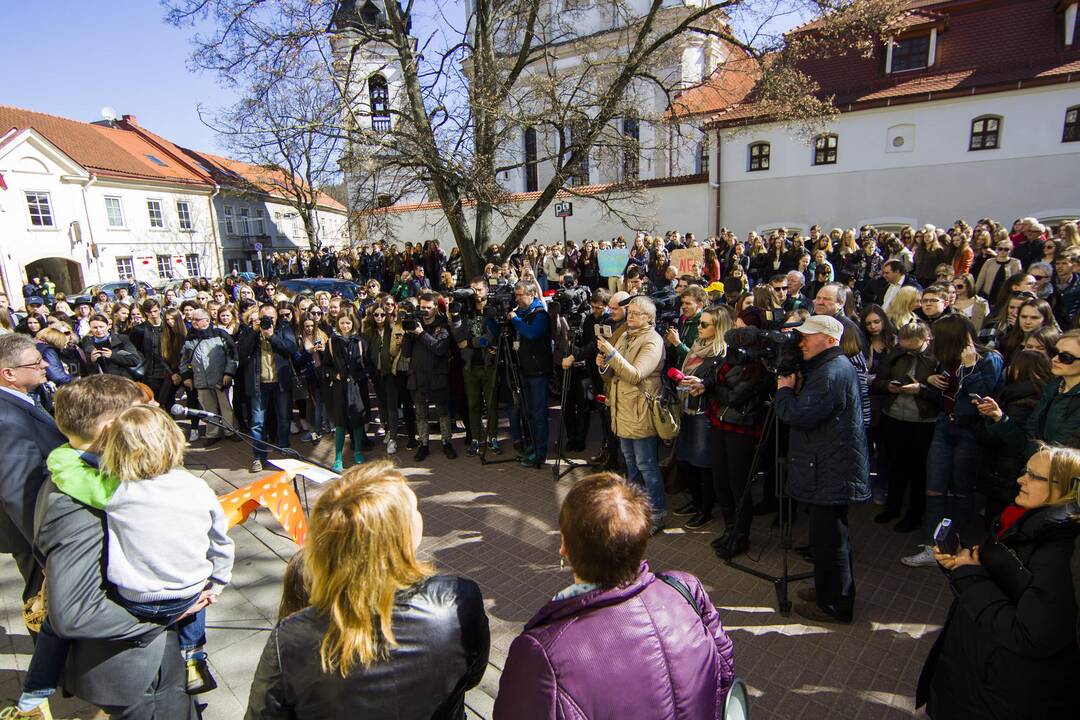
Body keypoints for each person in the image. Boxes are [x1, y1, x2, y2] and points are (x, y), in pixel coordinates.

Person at [16, 402, 234, 715]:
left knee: (51, 629)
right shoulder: (196, 487)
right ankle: (194, 655)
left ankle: (35, 692)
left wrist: (62, 453)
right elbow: (221, 542)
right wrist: (217, 583)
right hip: (187, 593)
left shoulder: (115, 493)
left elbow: (70, 475)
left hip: (139, 598)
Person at [246, 461, 490, 718]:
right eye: (414, 510)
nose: (420, 516)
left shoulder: (288, 638)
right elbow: (470, 675)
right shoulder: (457, 601)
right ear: (398, 535)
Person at [493, 472, 735, 719]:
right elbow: (725, 676)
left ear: (564, 545)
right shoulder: (685, 590)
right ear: (640, 541)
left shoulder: (540, 654)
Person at [916, 443, 1080, 719]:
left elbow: (1030, 636)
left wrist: (971, 576)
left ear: (1065, 489)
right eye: (1024, 471)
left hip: (997, 689)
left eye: (1033, 476)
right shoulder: (1023, 521)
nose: (1020, 479)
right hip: (978, 669)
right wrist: (963, 566)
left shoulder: (1059, 552)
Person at [774, 315, 870, 623]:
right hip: (827, 464)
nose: (801, 342)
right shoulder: (827, 367)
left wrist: (785, 391)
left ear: (829, 341)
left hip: (830, 468)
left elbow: (799, 415)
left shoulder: (831, 372)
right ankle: (828, 588)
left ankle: (835, 604)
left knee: (830, 540)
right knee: (826, 539)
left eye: (808, 336)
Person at [903, 315, 1005, 568]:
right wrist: (931, 384)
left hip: (969, 431)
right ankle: (932, 545)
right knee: (934, 487)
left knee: (962, 491)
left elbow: (980, 400)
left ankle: (957, 545)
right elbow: (945, 394)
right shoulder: (947, 359)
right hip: (945, 426)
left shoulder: (989, 359)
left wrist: (969, 369)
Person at [0, 334, 66, 603]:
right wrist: (44, 551)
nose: (46, 366)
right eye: (36, 363)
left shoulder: (22, 401)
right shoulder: (6, 420)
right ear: (8, 373)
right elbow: (18, 492)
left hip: (43, 524)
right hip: (33, 534)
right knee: (42, 603)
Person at [597, 296, 667, 533]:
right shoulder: (627, 335)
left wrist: (611, 355)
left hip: (640, 410)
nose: (631, 316)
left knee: (646, 464)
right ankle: (635, 509)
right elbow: (613, 371)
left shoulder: (652, 341)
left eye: (637, 313)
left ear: (649, 318)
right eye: (631, 312)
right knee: (630, 462)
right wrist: (603, 363)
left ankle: (657, 512)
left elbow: (636, 374)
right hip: (622, 408)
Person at [870, 321, 940, 532]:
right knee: (894, 467)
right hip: (893, 416)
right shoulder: (896, 353)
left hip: (922, 422)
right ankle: (893, 507)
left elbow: (944, 394)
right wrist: (888, 387)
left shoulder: (937, 360)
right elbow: (878, 380)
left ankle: (914, 515)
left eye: (912, 346)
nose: (906, 349)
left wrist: (921, 390)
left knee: (918, 472)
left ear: (925, 340)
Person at [237, 303, 297, 473]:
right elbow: (241, 354)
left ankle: (284, 449)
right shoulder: (250, 331)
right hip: (258, 383)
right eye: (264, 317)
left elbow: (291, 348)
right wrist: (255, 332)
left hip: (280, 381)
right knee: (257, 422)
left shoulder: (284, 328)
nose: (267, 320)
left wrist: (272, 336)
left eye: (271, 318)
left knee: (284, 418)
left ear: (276, 317)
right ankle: (259, 457)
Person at [506, 281, 553, 468]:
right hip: (524, 369)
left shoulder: (540, 315)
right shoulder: (521, 313)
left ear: (531, 294)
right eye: (515, 295)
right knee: (529, 413)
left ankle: (540, 453)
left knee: (538, 414)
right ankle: (533, 445)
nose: (516, 298)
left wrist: (515, 319)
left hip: (538, 371)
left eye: (520, 295)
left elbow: (532, 333)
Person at [405, 291, 457, 461]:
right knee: (420, 413)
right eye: (422, 307)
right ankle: (424, 444)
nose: (425, 310)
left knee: (443, 412)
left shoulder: (442, 325)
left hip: (437, 376)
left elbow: (440, 348)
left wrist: (420, 333)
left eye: (428, 307)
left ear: (435, 307)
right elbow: (406, 353)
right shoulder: (415, 324)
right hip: (418, 376)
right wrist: (408, 332)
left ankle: (447, 443)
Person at [453, 277, 501, 456]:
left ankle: (493, 438)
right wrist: (456, 315)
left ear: (487, 290)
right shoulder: (467, 310)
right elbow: (458, 337)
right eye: (472, 290)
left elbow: (491, 337)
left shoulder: (493, 309)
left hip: (489, 365)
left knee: (491, 404)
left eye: (479, 290)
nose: (476, 293)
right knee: (472, 404)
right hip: (470, 366)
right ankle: (475, 439)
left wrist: (471, 342)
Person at [179, 308, 238, 444]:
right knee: (208, 409)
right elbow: (184, 361)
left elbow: (232, 355)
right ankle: (213, 433)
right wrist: (186, 376)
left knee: (227, 407)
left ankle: (230, 431)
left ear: (206, 320)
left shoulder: (220, 334)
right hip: (201, 381)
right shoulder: (190, 338)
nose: (193, 322)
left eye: (197, 320)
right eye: (192, 319)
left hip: (221, 379)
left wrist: (229, 373)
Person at [328, 312, 369, 472]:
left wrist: (360, 376)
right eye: (342, 323)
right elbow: (326, 365)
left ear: (353, 324)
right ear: (338, 323)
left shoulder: (359, 342)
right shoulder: (332, 342)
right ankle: (338, 458)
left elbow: (368, 364)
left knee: (357, 420)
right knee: (340, 423)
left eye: (348, 323)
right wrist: (334, 375)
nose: (345, 326)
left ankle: (357, 451)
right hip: (339, 388)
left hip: (356, 386)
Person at [79, 314, 144, 379]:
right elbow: (89, 371)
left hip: (123, 380)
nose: (98, 330)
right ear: (90, 328)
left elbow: (134, 360)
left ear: (107, 326)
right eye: (95, 328)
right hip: (102, 382)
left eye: (101, 327)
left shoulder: (121, 339)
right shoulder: (88, 343)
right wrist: (92, 361)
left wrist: (112, 355)